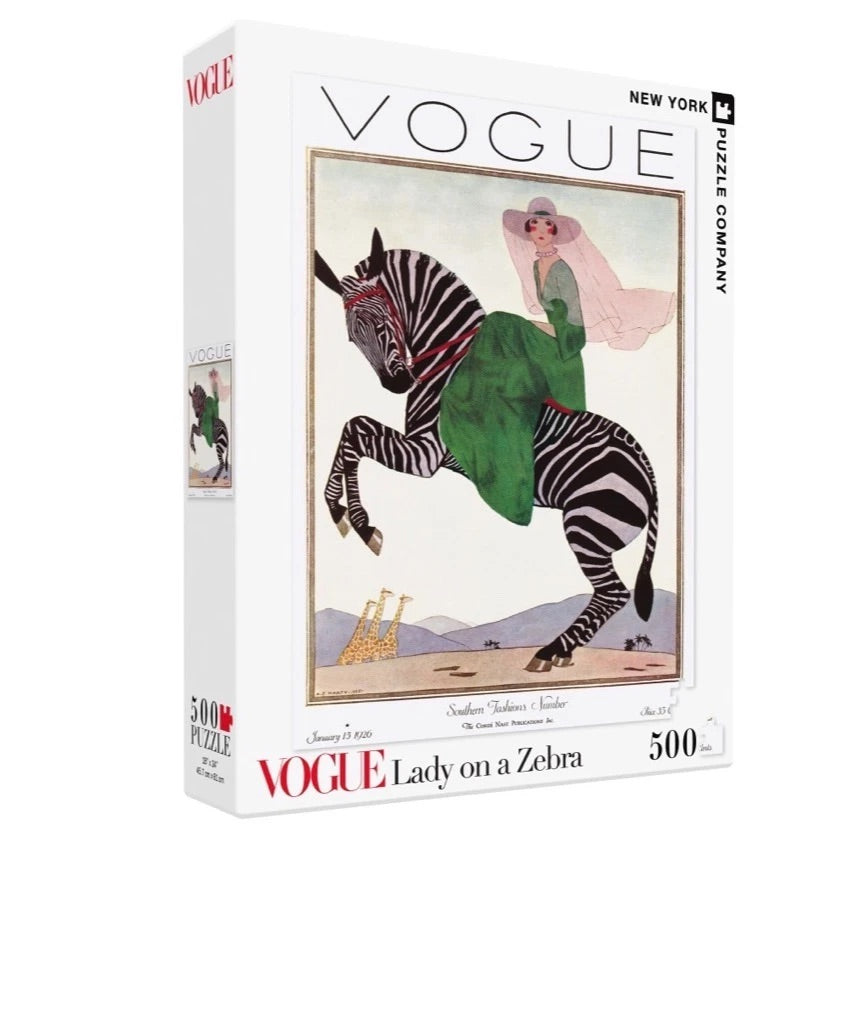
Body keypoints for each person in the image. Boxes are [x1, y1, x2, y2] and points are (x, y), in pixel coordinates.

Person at [438, 197, 675, 527]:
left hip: (563, 348)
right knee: (499, 327)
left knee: (498, 323)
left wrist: (533, 328)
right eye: (533, 225)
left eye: (546, 225)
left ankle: (480, 406)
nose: (539, 230)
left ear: (555, 231)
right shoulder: (539, 266)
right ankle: (474, 397)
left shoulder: (561, 269)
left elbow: (573, 331)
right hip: (550, 339)